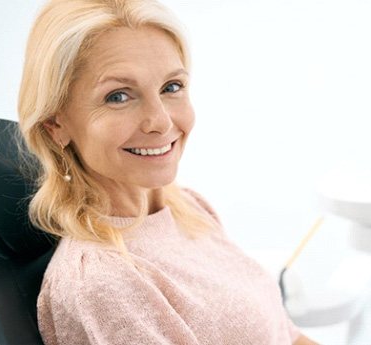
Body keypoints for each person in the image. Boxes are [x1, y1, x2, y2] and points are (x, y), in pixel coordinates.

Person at [18, 0, 318, 344]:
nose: (161, 122)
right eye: (118, 96)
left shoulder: (187, 208)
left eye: (171, 87)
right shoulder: (104, 281)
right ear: (55, 123)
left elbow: (286, 334)